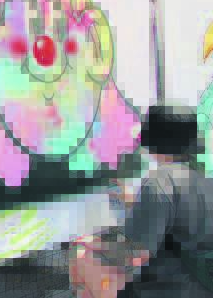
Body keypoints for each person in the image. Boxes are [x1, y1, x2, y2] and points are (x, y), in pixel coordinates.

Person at [70, 104, 213, 297]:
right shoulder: (203, 180)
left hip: (169, 290)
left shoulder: (159, 181)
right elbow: (179, 219)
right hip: (202, 287)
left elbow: (134, 255)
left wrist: (94, 243)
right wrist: (134, 202)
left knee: (81, 254)